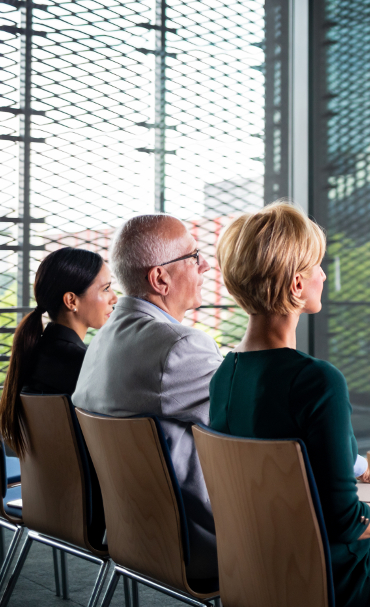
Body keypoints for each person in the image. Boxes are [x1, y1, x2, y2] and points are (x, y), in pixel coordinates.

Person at [209, 202, 370, 607]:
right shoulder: (316, 380)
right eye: (317, 266)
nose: (323, 275)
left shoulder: (224, 377)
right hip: (335, 579)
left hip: (260, 571)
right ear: (296, 285)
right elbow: (346, 522)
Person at [73, 214, 222, 580]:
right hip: (201, 543)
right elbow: (261, 419)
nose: (204, 265)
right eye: (193, 256)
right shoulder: (179, 347)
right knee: (355, 527)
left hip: (134, 535)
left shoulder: (102, 340)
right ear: (160, 278)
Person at [0, 247, 118, 457]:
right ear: (71, 301)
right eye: (106, 289)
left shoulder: (35, 352)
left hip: (44, 487)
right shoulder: (85, 366)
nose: (114, 298)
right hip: (90, 487)